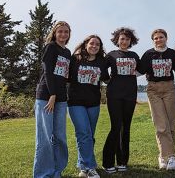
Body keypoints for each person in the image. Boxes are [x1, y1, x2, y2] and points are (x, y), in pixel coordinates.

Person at [33, 21, 72, 178]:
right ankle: (43, 174)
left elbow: (63, 75)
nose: (63, 34)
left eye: (66, 32)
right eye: (60, 31)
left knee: (60, 137)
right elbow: (48, 72)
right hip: (46, 97)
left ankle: (57, 171)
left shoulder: (67, 52)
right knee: (45, 138)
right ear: (55, 33)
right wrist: (52, 95)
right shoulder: (50, 47)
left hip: (61, 98)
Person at [68, 35, 110, 178]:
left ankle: (83, 167)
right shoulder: (75, 59)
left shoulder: (102, 62)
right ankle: (91, 168)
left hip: (93, 103)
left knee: (89, 136)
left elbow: (107, 79)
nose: (94, 46)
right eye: (92, 43)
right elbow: (64, 77)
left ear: (100, 47)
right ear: (86, 44)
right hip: (75, 102)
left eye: (97, 44)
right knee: (83, 133)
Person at [102, 27, 142, 173]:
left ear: (131, 41)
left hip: (130, 95)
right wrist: (108, 80)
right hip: (114, 95)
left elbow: (142, 69)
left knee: (126, 128)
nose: (124, 41)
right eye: (122, 39)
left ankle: (122, 161)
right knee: (116, 127)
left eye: (127, 39)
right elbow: (101, 70)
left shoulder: (134, 55)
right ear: (117, 40)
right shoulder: (111, 55)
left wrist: (130, 76)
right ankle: (107, 162)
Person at [141, 29, 175, 170]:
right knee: (161, 124)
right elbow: (138, 70)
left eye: (161, 37)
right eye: (155, 38)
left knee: (171, 123)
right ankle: (165, 156)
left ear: (166, 38)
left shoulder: (172, 54)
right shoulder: (148, 54)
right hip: (154, 89)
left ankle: (170, 157)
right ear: (153, 40)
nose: (158, 40)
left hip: (169, 88)